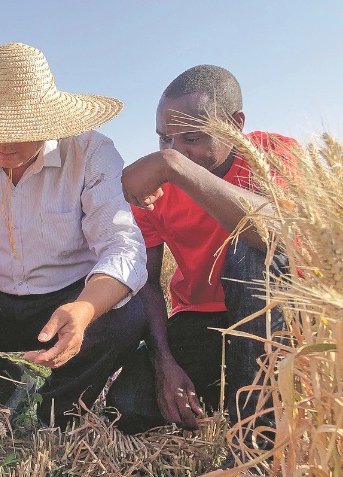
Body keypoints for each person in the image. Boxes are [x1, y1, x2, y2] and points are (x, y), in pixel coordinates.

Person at [0, 42, 149, 429]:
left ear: (49, 121)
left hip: (67, 297)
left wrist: (85, 310)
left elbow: (123, 245)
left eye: (19, 129)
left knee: (125, 319)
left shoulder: (90, 152)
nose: (4, 143)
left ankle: (58, 408)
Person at [110, 65, 297, 441]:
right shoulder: (155, 188)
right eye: (165, 139)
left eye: (191, 138)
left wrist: (172, 165)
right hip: (202, 321)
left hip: (278, 323)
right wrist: (165, 362)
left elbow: (277, 235)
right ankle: (226, 398)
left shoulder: (275, 153)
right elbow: (146, 282)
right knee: (129, 405)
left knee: (247, 248)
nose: (176, 150)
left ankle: (255, 435)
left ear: (234, 124)